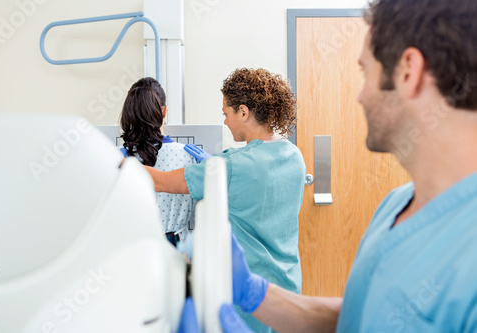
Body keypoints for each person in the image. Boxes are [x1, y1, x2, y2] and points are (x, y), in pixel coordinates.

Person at [180, 0, 477, 331]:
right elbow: (360, 318)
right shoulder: (394, 206)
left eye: (366, 72)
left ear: (409, 71)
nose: (360, 96)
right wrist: (256, 295)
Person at [145, 68, 306, 332]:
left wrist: (117, 162)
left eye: (226, 113)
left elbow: (162, 181)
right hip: (288, 288)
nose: (224, 122)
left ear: (243, 112)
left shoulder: (230, 166)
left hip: (247, 293)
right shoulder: (294, 155)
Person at [119, 77, 197, 246]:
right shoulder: (189, 156)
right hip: (178, 251)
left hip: (131, 250)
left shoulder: (117, 160)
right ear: (164, 111)